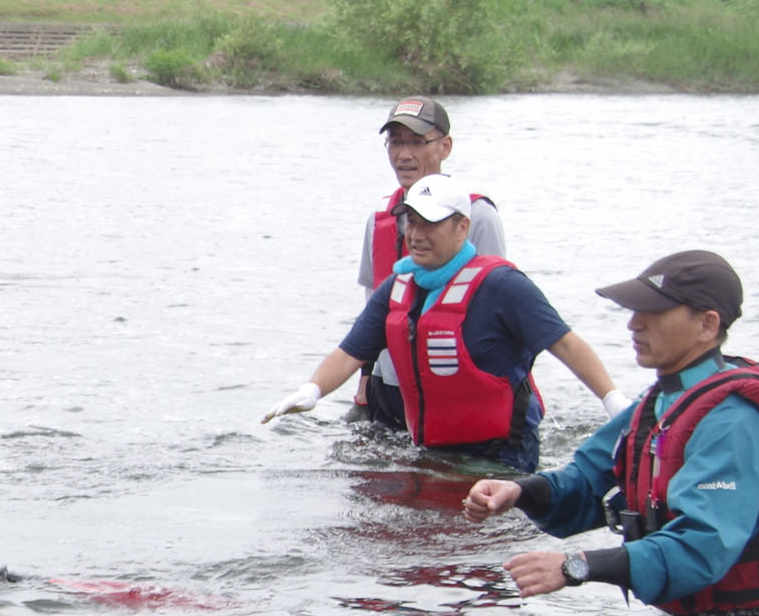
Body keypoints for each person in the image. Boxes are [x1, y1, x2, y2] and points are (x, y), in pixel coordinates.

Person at [463, 250, 759, 616]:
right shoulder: (661, 401)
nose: (633, 324)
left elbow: (702, 545)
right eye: (634, 311)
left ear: (707, 325)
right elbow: (586, 478)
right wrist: (518, 491)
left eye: (653, 313)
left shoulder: (735, 420)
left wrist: (578, 566)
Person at [264, 174, 626, 472]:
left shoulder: (502, 286)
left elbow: (565, 343)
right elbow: (350, 352)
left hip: (502, 457)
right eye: (412, 222)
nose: (417, 235)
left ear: (462, 227)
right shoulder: (397, 289)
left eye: (431, 224)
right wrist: (311, 390)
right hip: (431, 451)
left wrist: (612, 402)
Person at [355, 97, 505, 421]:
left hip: (453, 386)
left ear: (445, 147)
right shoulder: (378, 219)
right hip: (390, 386)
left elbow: (498, 309)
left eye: (418, 143)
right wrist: (364, 379)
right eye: (395, 143)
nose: (404, 155)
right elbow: (371, 314)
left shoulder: (477, 217)